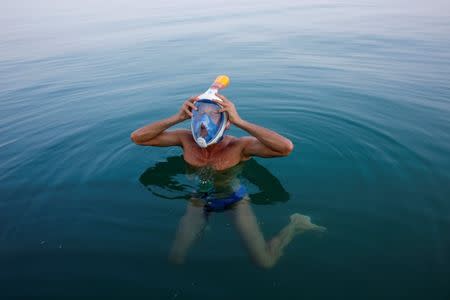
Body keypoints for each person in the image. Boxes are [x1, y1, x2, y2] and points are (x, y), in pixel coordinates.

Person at [131, 93, 325, 268]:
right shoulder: (186, 138)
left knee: (265, 261)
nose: (205, 121)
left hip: (235, 199)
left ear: (227, 121)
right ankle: (203, 225)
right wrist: (177, 117)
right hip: (198, 199)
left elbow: (285, 148)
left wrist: (241, 121)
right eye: (200, 114)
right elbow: (138, 138)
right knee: (176, 257)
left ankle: (296, 223)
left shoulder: (239, 146)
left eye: (214, 114)